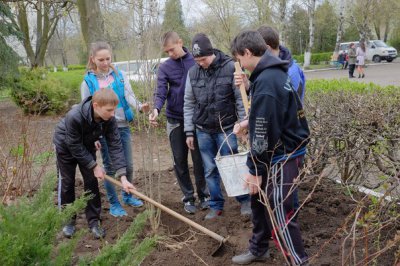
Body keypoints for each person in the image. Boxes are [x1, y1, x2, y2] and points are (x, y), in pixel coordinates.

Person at [230, 30, 310, 265]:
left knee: (279, 209)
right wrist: (248, 122)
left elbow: (264, 133)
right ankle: (259, 248)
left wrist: (254, 170)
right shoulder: (271, 74)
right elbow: (268, 115)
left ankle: (298, 261)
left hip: (283, 155)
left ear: (247, 52)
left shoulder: (266, 81)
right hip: (277, 152)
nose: (239, 65)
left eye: (239, 59)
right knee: (258, 202)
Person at [183, 33, 251, 220]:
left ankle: (244, 201)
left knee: (234, 165)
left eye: (203, 59)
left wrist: (243, 124)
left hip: (227, 128)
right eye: (197, 60)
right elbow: (188, 103)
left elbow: (240, 98)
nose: (200, 63)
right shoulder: (192, 73)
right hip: (202, 130)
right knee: (210, 169)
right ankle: (216, 205)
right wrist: (189, 131)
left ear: (211, 52)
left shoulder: (230, 67)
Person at [54, 88, 137, 239]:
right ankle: (68, 221)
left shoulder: (109, 119)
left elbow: (115, 145)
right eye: (109, 110)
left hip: (86, 145)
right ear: (96, 106)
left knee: (91, 182)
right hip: (66, 146)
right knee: (67, 182)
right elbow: (74, 145)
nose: (113, 114)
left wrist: (123, 177)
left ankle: (94, 222)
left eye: (114, 110)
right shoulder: (74, 116)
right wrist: (94, 165)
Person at [81, 41, 149, 217]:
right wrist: (93, 136)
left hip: (122, 125)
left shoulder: (119, 75)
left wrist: (140, 107)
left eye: (108, 59)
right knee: (110, 167)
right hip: (102, 129)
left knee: (128, 165)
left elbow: (129, 95)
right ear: (93, 59)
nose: (105, 63)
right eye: (101, 59)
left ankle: (127, 195)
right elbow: (86, 110)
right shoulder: (89, 81)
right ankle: (114, 203)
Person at [149, 31, 209, 214]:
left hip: (197, 119)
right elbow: (161, 92)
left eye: (172, 49)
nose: (170, 54)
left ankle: (204, 195)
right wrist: (156, 109)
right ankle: (188, 197)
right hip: (175, 119)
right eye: (166, 51)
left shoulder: (196, 60)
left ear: (180, 42)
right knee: (179, 160)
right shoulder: (165, 67)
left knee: (199, 159)